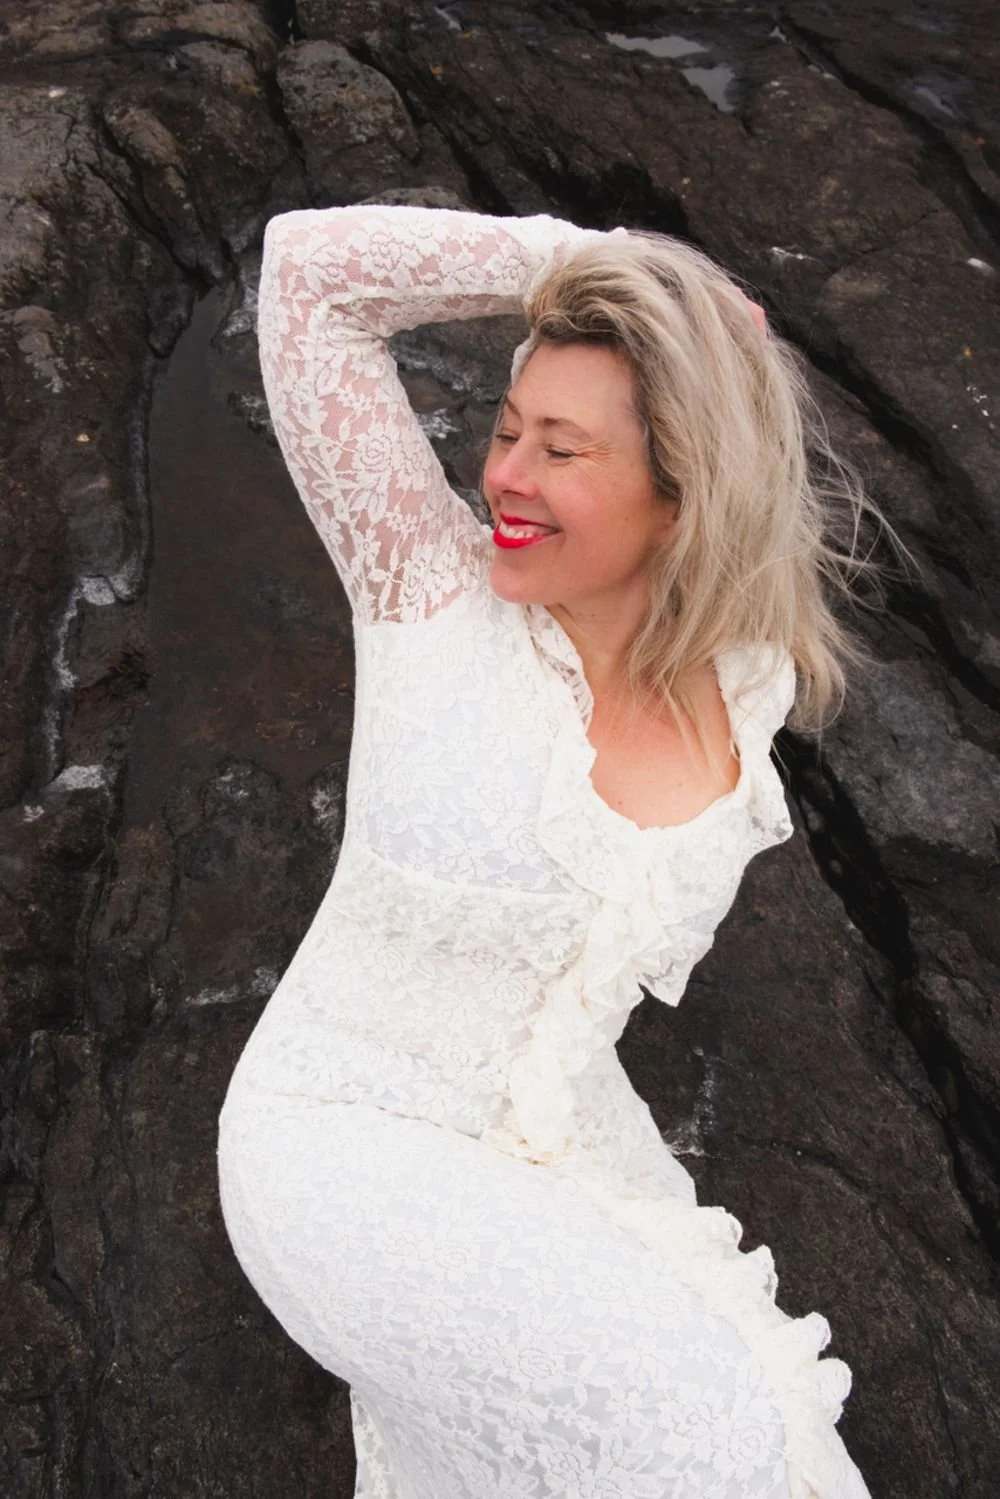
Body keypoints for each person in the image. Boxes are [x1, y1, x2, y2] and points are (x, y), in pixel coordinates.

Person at [217, 203, 875, 1499]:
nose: (501, 473)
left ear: (684, 491)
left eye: (559, 448)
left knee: (784, 1446)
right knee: (702, 1446)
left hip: (551, 1130)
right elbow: (306, 273)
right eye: (507, 428)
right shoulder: (424, 587)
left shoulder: (743, 686)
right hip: (337, 1137)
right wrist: (587, 258)